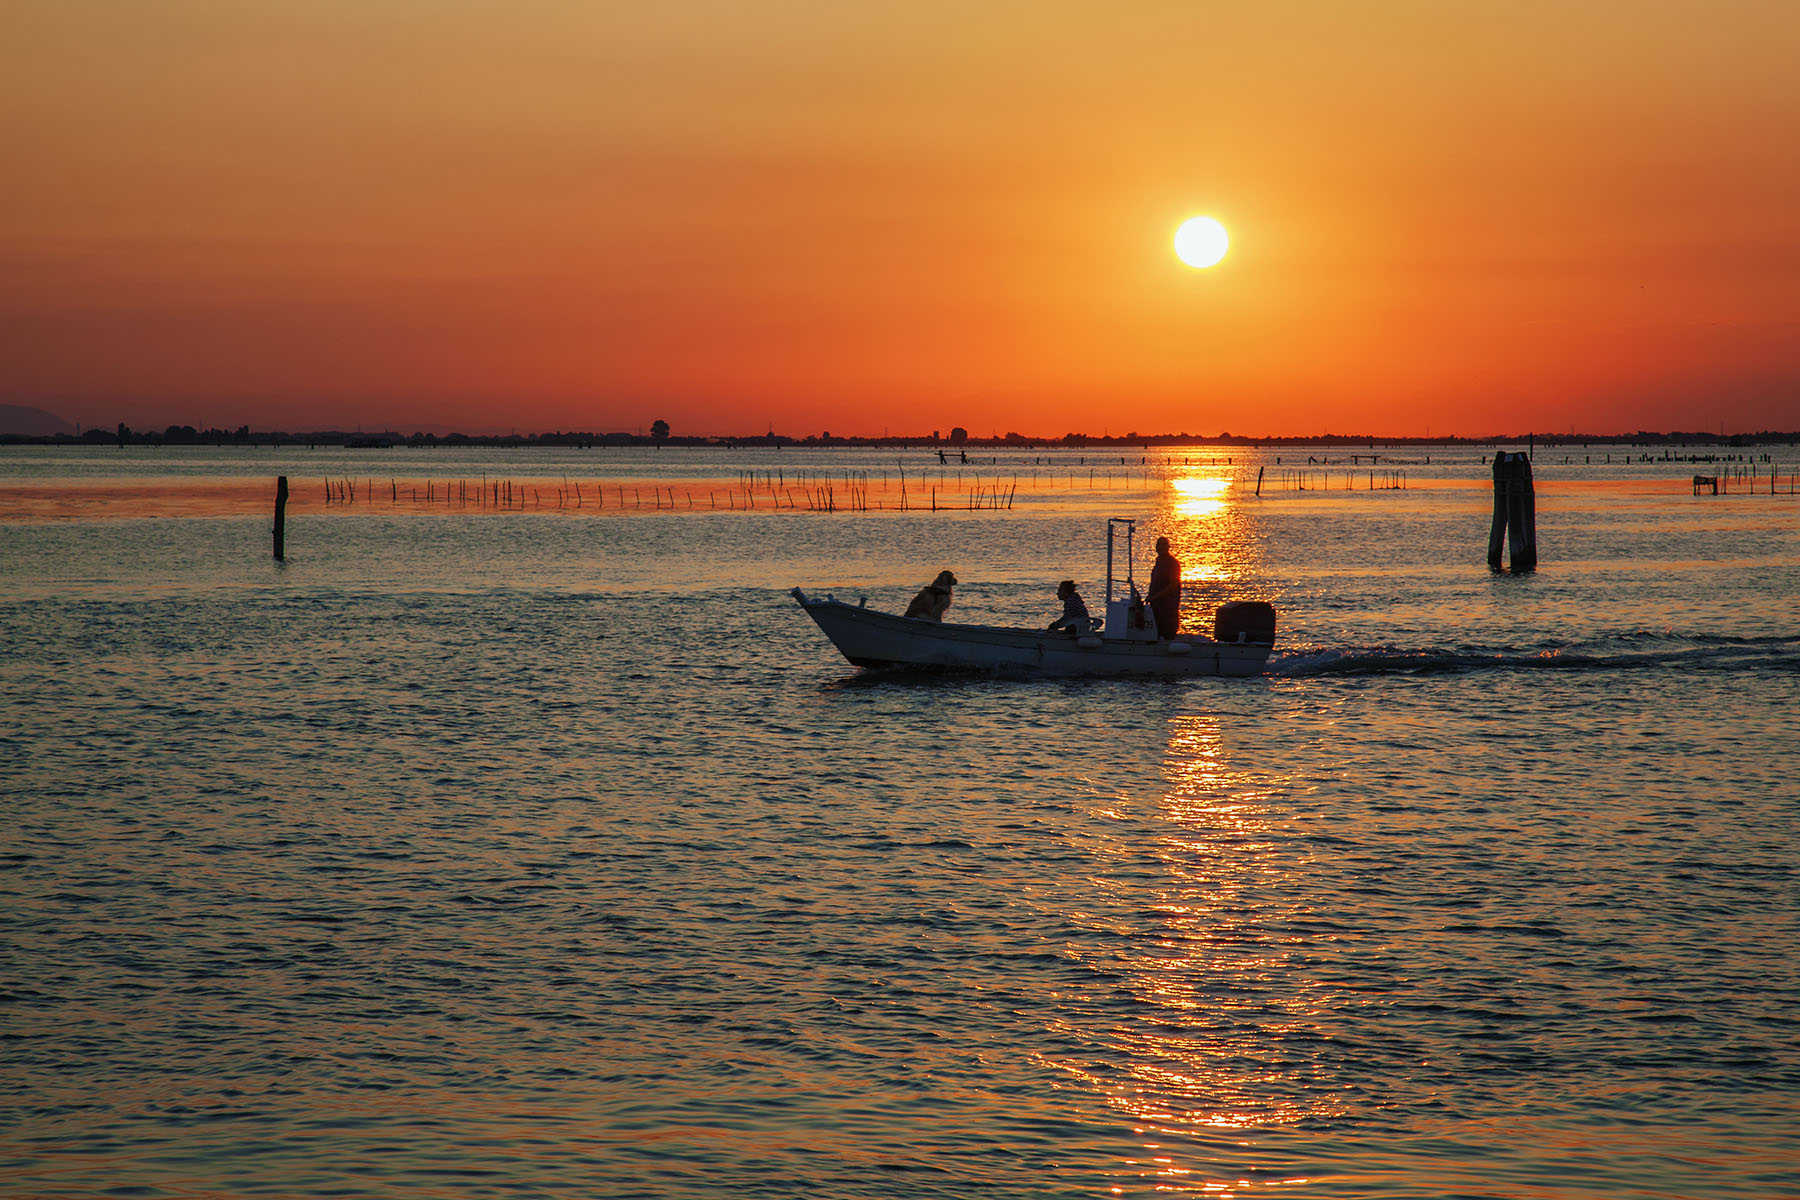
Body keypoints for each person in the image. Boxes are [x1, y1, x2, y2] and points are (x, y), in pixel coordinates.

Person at [1145, 536, 1181, 638]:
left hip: (1168, 609)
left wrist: (1154, 597)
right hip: (1156, 607)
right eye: (1159, 544)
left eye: (1164, 544)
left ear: (1169, 547)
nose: (1161, 547)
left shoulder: (1172, 563)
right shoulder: (1158, 563)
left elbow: (1173, 585)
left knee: (1167, 634)